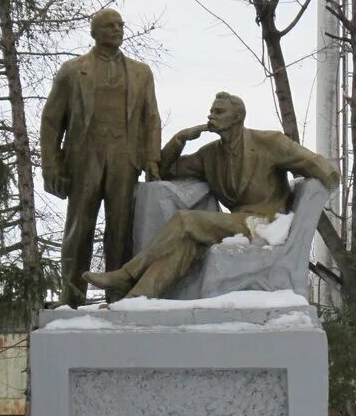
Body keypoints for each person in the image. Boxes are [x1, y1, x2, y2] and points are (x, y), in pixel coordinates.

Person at [84, 91, 339, 299]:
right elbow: (163, 171)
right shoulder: (210, 155)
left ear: (237, 116)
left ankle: (128, 273)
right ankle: (136, 299)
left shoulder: (270, 143)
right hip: (238, 222)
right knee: (186, 244)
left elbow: (320, 166)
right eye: (211, 111)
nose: (211, 115)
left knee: (186, 220)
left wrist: (323, 184)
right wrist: (180, 139)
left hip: (265, 224)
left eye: (219, 111)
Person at [40, 8, 161, 306]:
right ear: (95, 32)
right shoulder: (72, 70)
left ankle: (117, 294)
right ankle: (71, 294)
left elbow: (151, 118)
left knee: (121, 229)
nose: (117, 29)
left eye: (120, 25)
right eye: (109, 26)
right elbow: (52, 121)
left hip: (125, 158)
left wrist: (152, 159)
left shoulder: (141, 72)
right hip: (84, 160)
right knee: (79, 227)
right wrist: (51, 164)